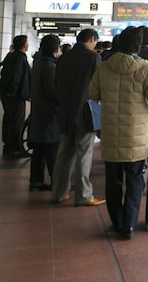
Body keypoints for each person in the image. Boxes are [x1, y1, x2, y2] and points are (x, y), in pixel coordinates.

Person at [89, 26, 148, 240]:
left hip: (111, 135)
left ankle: (117, 222)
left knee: (113, 182)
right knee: (134, 180)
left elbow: (92, 93)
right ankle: (129, 226)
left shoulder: (104, 68)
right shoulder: (147, 69)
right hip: (137, 137)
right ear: (139, 46)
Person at [52, 28, 105, 207]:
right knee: (83, 154)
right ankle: (84, 195)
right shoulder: (92, 58)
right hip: (84, 113)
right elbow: (99, 85)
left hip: (65, 112)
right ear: (91, 39)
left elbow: (56, 85)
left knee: (64, 154)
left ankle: (59, 192)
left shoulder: (63, 58)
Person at [29, 34, 61, 191]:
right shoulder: (50, 67)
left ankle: (36, 181)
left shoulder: (39, 63)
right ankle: (58, 182)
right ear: (55, 49)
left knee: (39, 151)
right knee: (52, 151)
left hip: (39, 113)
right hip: (49, 116)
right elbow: (52, 91)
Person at [0, 35, 30, 157]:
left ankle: (8, 145)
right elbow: (16, 75)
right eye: (26, 43)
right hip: (15, 96)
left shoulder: (11, 56)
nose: (27, 45)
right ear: (23, 45)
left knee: (9, 118)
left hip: (8, 95)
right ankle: (16, 147)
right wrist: (13, 90)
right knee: (17, 121)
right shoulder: (20, 58)